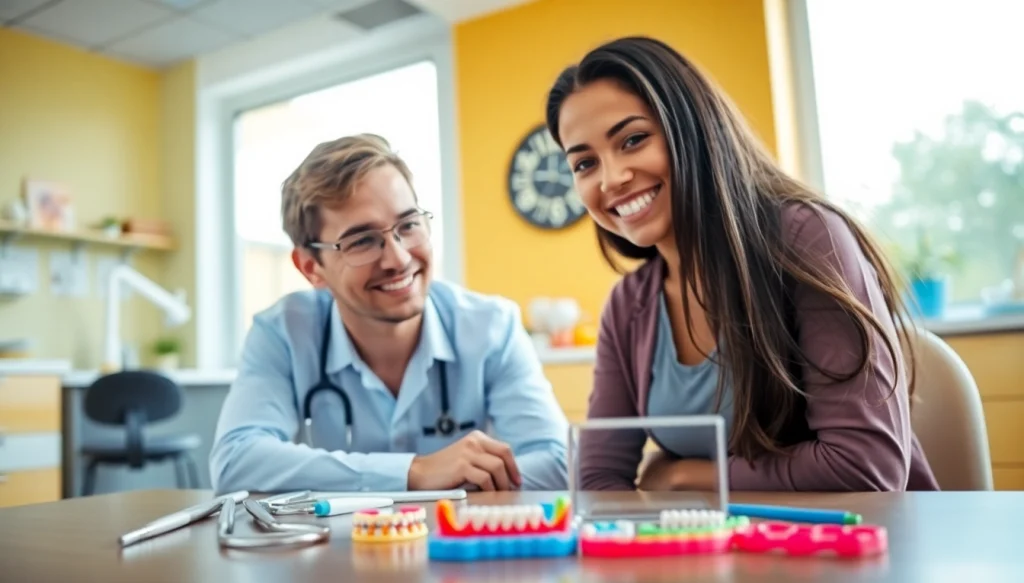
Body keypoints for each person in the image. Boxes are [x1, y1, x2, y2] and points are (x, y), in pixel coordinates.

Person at [544, 36, 940, 492]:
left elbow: (866, 468)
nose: (610, 179)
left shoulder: (806, 238)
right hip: (724, 556)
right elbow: (599, 479)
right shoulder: (628, 306)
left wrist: (688, 476)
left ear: (692, 129)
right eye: (584, 164)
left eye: (633, 140)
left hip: (863, 548)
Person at [210, 134, 568, 494]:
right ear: (311, 268)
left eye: (409, 225)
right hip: (336, 549)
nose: (398, 259)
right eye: (362, 241)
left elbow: (557, 462)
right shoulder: (284, 333)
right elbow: (236, 460)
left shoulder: (491, 326)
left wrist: (451, 482)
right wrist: (413, 473)